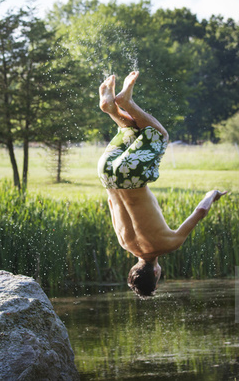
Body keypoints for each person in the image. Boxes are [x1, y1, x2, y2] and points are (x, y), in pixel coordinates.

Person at [97, 71, 227, 298]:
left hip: (132, 178)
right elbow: (110, 202)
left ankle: (125, 102)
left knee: (160, 134)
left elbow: (201, 211)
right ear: (133, 269)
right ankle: (111, 109)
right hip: (106, 174)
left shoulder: (168, 244)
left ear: (156, 274)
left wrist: (212, 194)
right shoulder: (123, 243)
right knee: (132, 130)